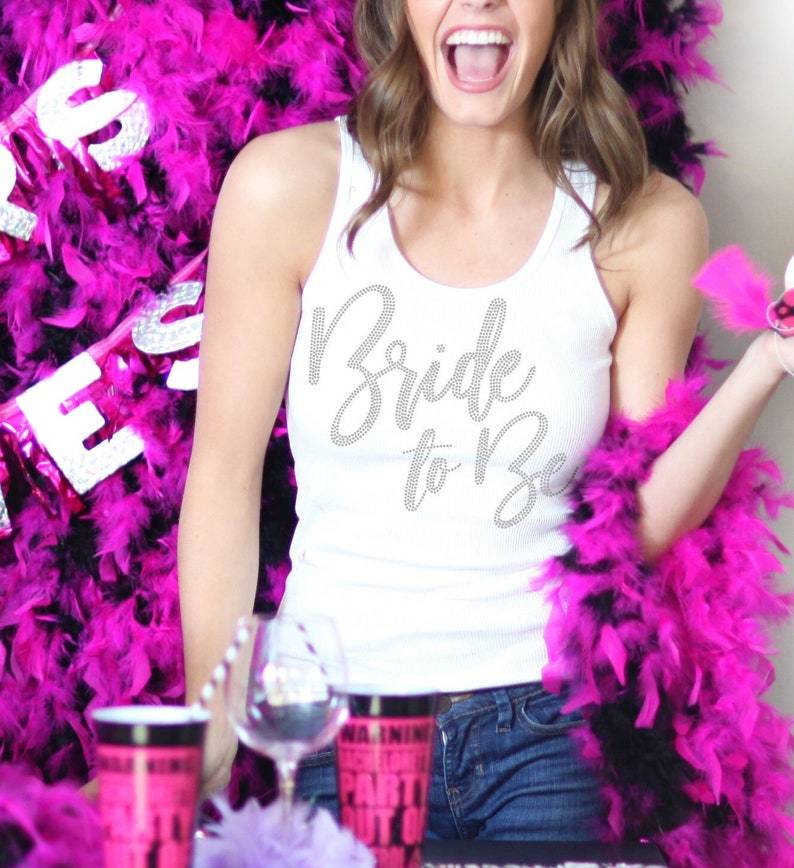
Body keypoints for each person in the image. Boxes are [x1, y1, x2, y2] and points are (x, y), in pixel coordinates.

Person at [177, 0, 793, 842]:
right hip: (341, 726)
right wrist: (209, 732)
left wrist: (768, 362)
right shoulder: (288, 188)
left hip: (548, 729)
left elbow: (632, 525)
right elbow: (224, 476)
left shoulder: (645, 224)